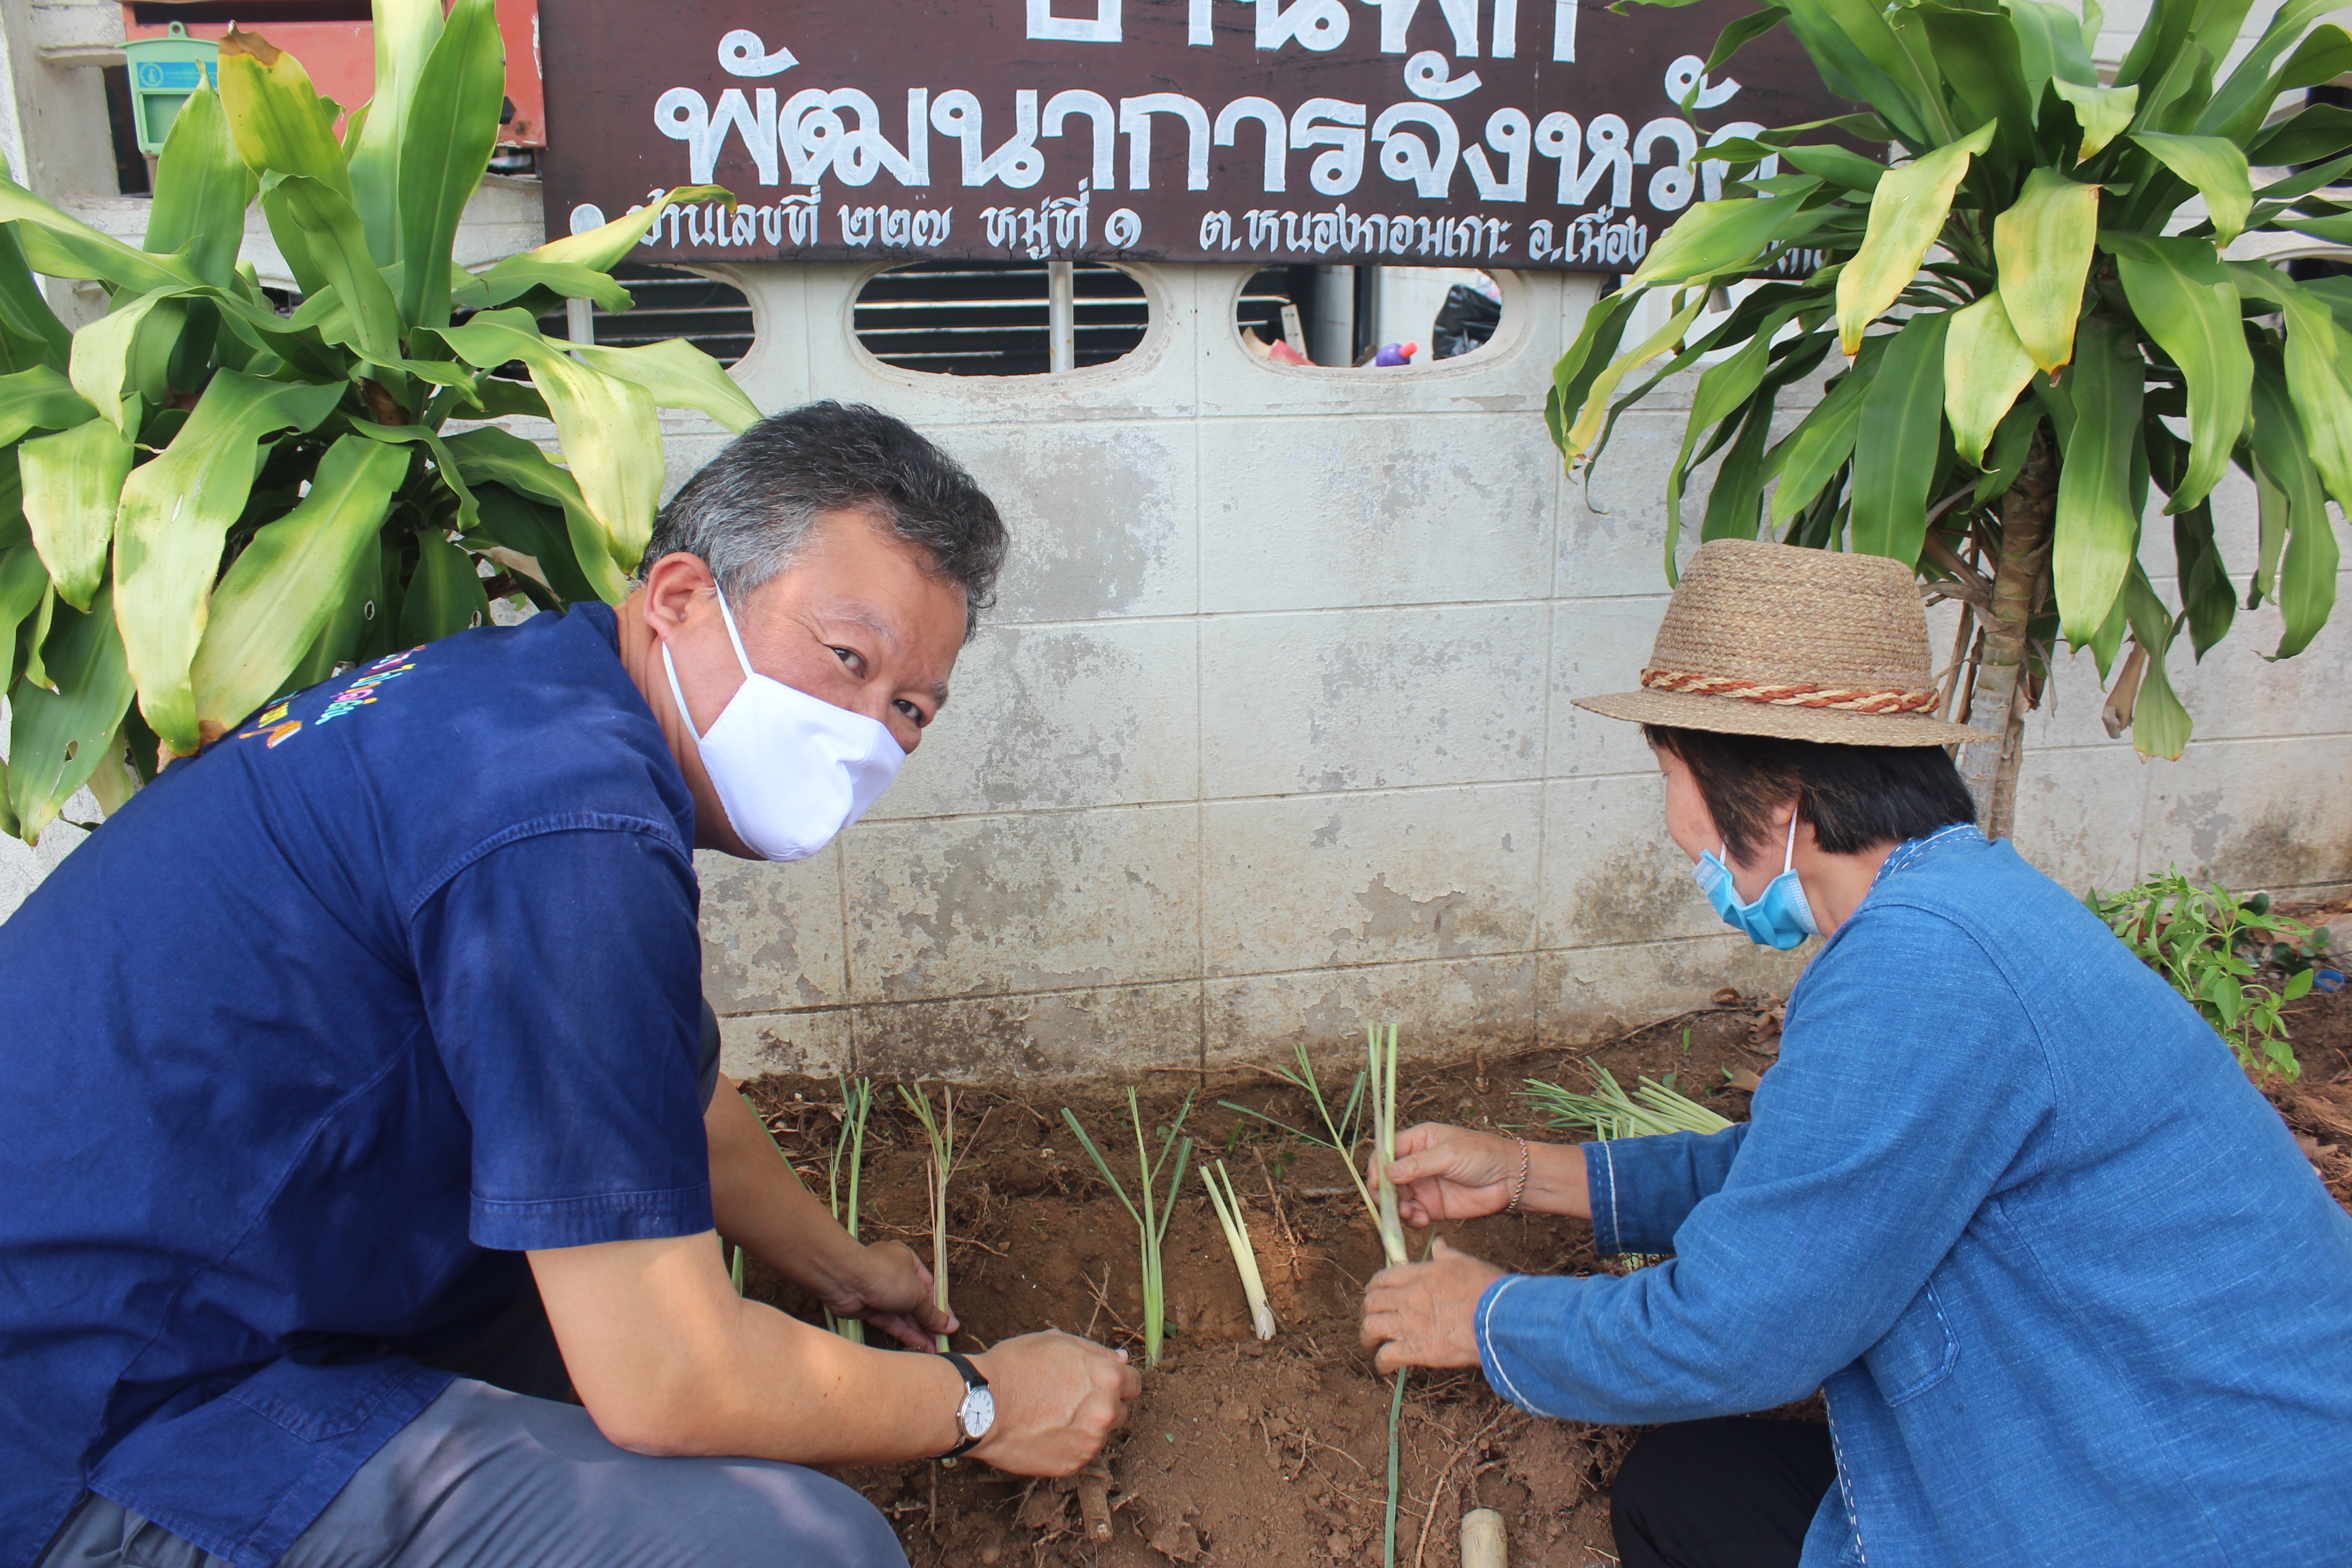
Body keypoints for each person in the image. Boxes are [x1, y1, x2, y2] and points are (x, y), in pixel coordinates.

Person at [0, 402, 1139, 1568]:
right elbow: (665, 1383)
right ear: (684, 597)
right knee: (795, 1547)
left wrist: (841, 1269)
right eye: (847, 659)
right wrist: (981, 1401)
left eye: (909, 709)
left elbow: (671, 1098)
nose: (864, 732)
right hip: (97, 1413)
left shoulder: (536, 703)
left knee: (582, 1330)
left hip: (179, 1273)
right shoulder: (567, 829)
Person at [1357, 539, 2352, 1567]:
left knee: (1686, 1499)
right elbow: (1811, 1169)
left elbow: (1739, 1331)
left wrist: (1490, 1319)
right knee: (1686, 1490)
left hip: (2187, 1511)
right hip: (2201, 1445)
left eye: (1671, 774)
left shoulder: (1921, 968)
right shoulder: (1962, 908)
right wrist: (1524, 1175)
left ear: (1778, 794)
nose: (1674, 828)